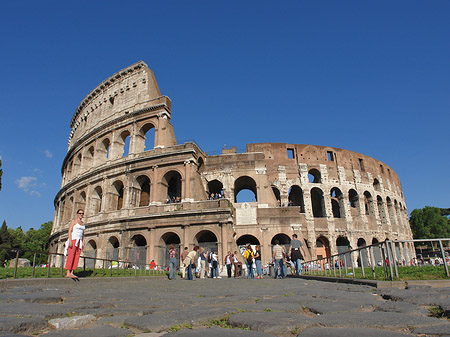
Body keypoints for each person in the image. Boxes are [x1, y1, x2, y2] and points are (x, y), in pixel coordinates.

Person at [64, 209, 85, 279]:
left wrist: (83, 243)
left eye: (82, 213)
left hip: (79, 241)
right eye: (80, 213)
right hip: (73, 239)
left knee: (76, 256)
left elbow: (83, 234)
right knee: (71, 255)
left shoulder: (82, 223)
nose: (81, 215)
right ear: (77, 214)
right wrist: (70, 240)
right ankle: (68, 272)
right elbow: (69, 231)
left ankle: (72, 272)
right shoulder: (74, 221)